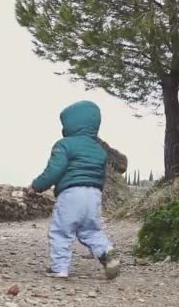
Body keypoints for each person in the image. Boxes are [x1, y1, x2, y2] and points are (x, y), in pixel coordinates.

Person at [26, 100, 120, 280]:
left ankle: (59, 268)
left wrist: (36, 186)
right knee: (90, 230)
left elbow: (54, 170)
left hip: (71, 193)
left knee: (61, 230)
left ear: (70, 124)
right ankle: (107, 251)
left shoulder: (64, 144)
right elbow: (101, 176)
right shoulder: (99, 151)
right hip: (94, 195)